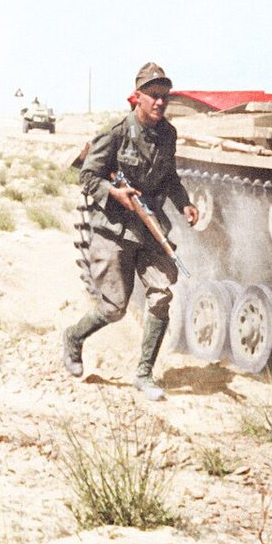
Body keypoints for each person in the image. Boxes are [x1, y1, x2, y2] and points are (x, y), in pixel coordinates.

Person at [61, 62, 199, 400]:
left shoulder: (168, 135)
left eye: (165, 97)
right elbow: (87, 176)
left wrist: (184, 203)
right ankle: (74, 338)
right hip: (114, 229)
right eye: (153, 96)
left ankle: (144, 373)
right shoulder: (117, 133)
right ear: (137, 97)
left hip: (150, 228)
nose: (160, 103)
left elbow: (170, 177)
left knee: (162, 293)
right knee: (114, 308)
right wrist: (115, 194)